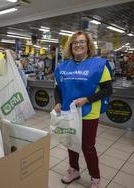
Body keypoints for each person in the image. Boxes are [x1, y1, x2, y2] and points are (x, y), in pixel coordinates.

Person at [53, 31, 113, 188]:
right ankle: (74, 170)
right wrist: (58, 101)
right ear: (70, 46)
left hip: (89, 113)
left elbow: (107, 90)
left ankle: (95, 177)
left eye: (82, 42)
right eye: (75, 42)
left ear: (88, 45)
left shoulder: (99, 65)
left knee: (87, 146)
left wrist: (87, 99)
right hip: (68, 112)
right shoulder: (63, 67)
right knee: (71, 142)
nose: (78, 45)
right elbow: (58, 88)